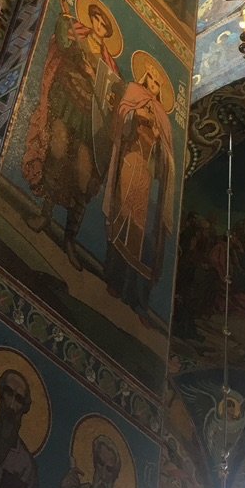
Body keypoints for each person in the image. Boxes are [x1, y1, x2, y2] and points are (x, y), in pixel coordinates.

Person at [22, 0, 122, 265]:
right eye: (97, 19)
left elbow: (112, 94)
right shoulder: (77, 32)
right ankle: (45, 215)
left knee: (82, 174)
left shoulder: (109, 64)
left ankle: (70, 239)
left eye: (105, 24)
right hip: (66, 100)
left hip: (89, 119)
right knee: (57, 153)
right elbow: (62, 43)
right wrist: (64, 26)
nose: (99, 25)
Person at [102, 57, 175, 321]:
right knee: (122, 216)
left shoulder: (164, 120)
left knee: (141, 232)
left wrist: (158, 141)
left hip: (145, 174)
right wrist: (136, 115)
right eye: (151, 80)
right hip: (129, 161)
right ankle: (112, 277)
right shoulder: (134, 93)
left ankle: (132, 292)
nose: (154, 86)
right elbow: (121, 117)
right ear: (144, 78)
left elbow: (167, 160)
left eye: (158, 84)